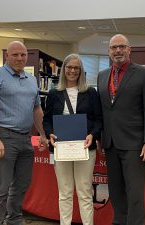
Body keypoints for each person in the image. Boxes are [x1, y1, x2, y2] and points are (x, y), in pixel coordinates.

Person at [0, 41, 47, 225]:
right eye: (15, 55)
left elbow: (37, 110)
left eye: (23, 55)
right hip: (3, 138)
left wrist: (42, 134)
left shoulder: (31, 79)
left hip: (26, 139)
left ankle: (14, 220)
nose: (20, 58)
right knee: (0, 188)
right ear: (7, 56)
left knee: (21, 186)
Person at [97, 34, 145, 225]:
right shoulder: (102, 76)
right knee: (116, 191)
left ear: (129, 49)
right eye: (114, 47)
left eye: (122, 47)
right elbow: (103, 110)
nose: (118, 51)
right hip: (110, 143)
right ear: (109, 51)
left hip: (135, 144)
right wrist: (100, 137)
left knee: (135, 193)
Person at [43, 54, 102, 225]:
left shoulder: (91, 92)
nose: (72, 71)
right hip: (61, 148)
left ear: (81, 71)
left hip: (85, 147)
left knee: (84, 191)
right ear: (64, 70)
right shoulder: (54, 93)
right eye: (69, 67)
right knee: (65, 192)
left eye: (76, 68)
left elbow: (99, 119)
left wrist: (93, 134)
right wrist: (50, 133)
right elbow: (47, 120)